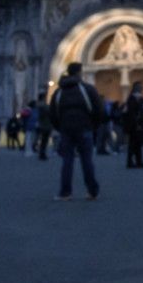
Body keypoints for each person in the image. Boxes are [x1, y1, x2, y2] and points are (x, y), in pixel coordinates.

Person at [49, 62, 102, 201]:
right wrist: (93, 126)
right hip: (85, 129)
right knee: (87, 160)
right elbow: (98, 109)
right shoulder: (88, 89)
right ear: (79, 72)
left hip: (66, 130)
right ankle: (92, 191)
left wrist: (60, 127)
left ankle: (65, 192)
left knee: (67, 161)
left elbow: (53, 113)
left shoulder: (58, 92)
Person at [124, 81, 143, 168]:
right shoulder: (131, 99)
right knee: (132, 143)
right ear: (134, 88)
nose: (140, 88)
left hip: (140, 123)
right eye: (138, 87)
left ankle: (139, 161)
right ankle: (130, 162)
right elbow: (131, 112)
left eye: (141, 87)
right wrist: (136, 123)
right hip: (134, 125)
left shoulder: (142, 99)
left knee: (138, 143)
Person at [32, 90, 54, 160]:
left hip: (42, 124)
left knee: (41, 139)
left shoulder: (39, 105)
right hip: (45, 125)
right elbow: (48, 112)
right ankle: (42, 153)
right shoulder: (43, 105)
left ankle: (39, 151)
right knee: (44, 140)